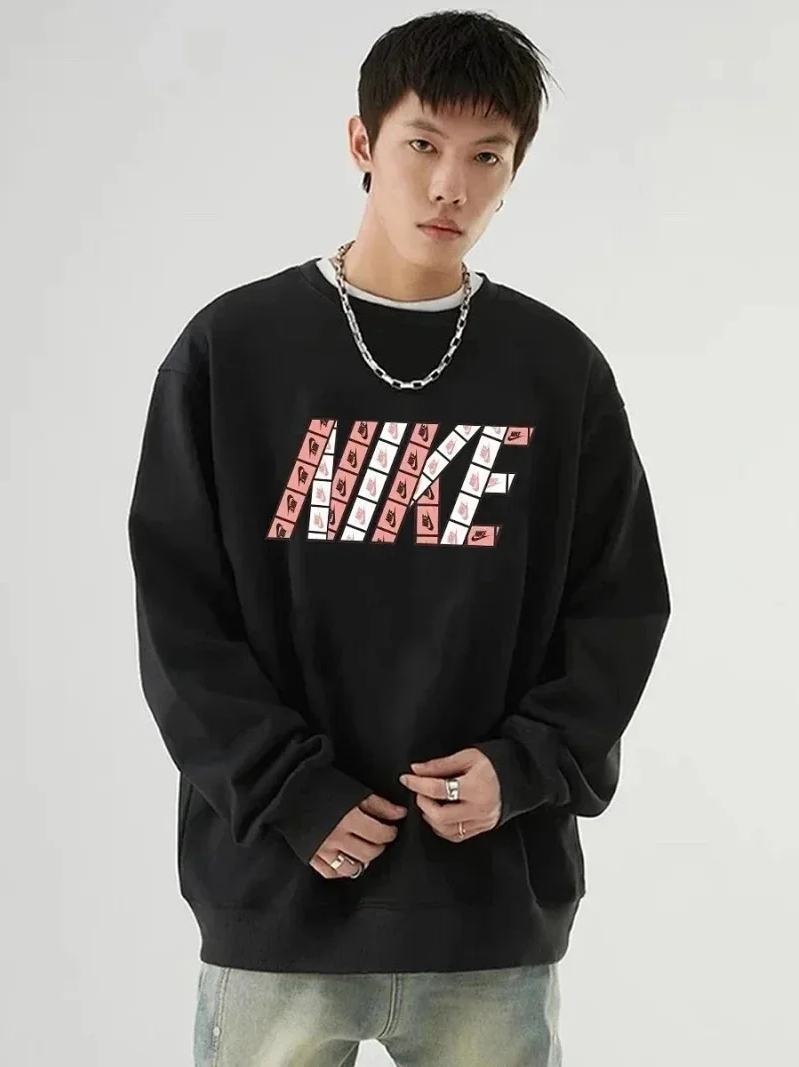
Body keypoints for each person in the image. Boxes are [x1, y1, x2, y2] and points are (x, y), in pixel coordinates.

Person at [127, 10, 671, 1066]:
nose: (449, 187)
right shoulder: (234, 351)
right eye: (422, 143)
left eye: (486, 157)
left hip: (486, 913)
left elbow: (617, 606)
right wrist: (289, 790)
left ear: (514, 172)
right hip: (280, 902)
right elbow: (178, 614)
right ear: (361, 142)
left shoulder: (555, 371)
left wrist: (524, 766)